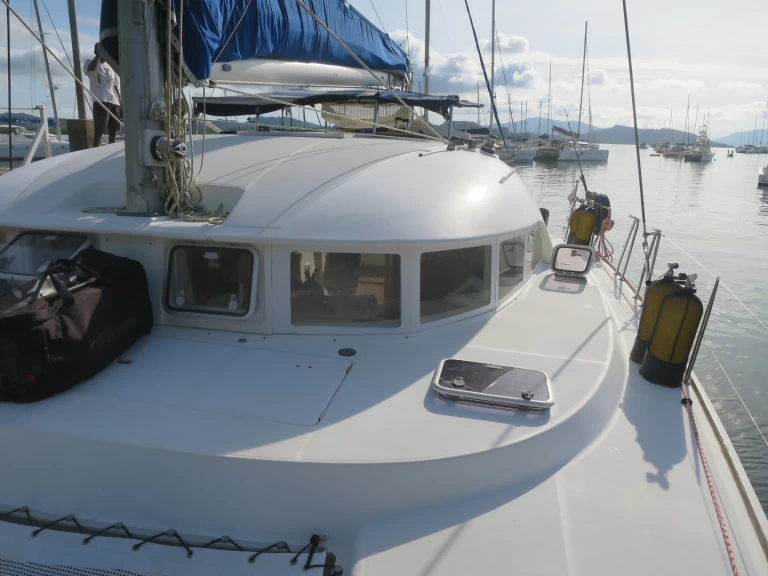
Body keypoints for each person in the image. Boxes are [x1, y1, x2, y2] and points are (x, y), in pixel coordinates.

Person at [84, 43, 121, 148]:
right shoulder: (88, 62)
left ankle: (111, 148)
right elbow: (91, 68)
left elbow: (115, 86)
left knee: (113, 131)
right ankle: (95, 150)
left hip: (114, 101)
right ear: (95, 51)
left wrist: (120, 102)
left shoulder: (111, 67)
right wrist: (99, 55)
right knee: (99, 130)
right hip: (100, 100)